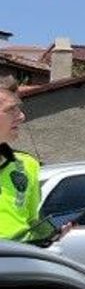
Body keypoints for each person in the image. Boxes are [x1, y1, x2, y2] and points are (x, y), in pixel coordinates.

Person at [0, 77, 45, 243]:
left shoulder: (27, 165)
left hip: (19, 257)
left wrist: (49, 234)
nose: (21, 116)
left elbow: (32, 221)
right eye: (11, 109)